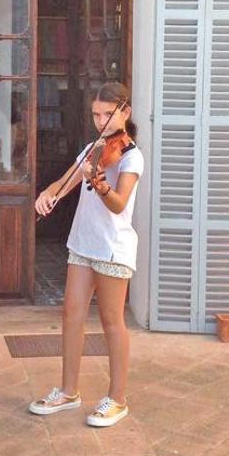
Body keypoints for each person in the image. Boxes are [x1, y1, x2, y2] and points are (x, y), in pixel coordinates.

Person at [29, 82, 143, 427]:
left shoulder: (131, 155)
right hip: (82, 242)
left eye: (108, 114)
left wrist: (102, 183)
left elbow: (118, 203)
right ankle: (68, 391)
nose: (101, 121)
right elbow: (63, 183)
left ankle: (118, 399)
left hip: (112, 246)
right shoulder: (93, 149)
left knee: (111, 321)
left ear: (125, 113)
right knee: (71, 315)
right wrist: (47, 195)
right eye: (96, 114)